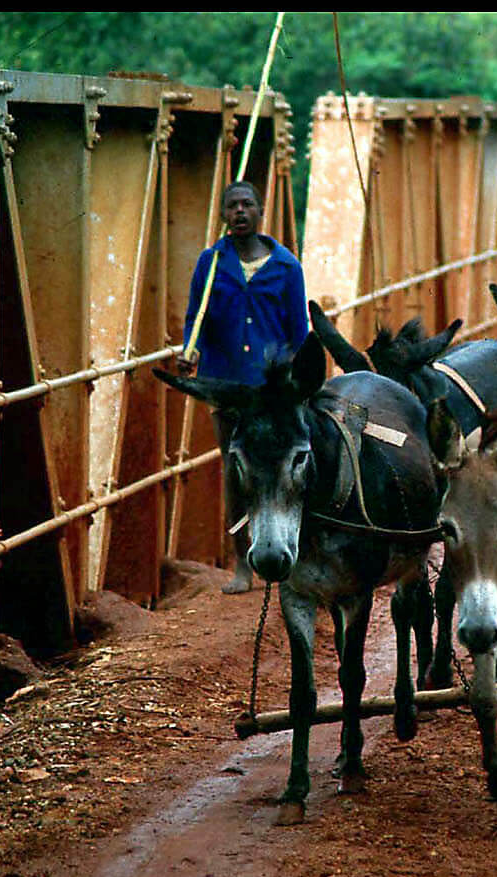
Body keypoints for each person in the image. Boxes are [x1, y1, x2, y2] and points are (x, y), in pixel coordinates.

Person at [180, 180, 309, 593]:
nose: (240, 212)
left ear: (260, 212)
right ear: (222, 215)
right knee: (237, 474)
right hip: (228, 388)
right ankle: (241, 564)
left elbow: (299, 332)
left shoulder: (287, 267)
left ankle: (294, 553)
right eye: (232, 206)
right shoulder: (211, 262)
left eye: (247, 205)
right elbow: (194, 318)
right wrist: (190, 349)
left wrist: (300, 384)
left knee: (288, 471)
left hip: (273, 393)